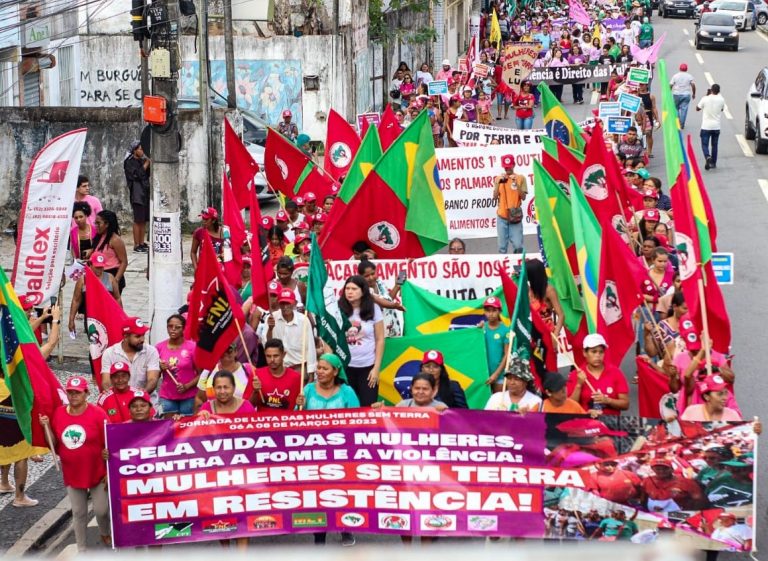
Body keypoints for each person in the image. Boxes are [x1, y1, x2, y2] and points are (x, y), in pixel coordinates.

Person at [39, 376, 111, 552]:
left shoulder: (98, 413)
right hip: (73, 472)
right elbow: (54, 443)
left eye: (77, 393)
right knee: (78, 513)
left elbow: (110, 440)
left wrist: (109, 459)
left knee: (102, 511)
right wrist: (46, 427)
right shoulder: (58, 413)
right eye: (70, 393)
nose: (73, 396)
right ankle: (82, 548)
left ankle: (105, 532)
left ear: (86, 393)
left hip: (97, 471)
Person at [296, 353, 359, 546]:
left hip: (341, 452)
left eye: (324, 368)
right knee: (318, 493)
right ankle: (319, 534)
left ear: (335, 371)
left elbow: (358, 420)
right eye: (318, 368)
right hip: (314, 453)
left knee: (342, 492)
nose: (319, 372)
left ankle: (346, 528)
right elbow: (295, 424)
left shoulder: (347, 392)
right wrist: (298, 407)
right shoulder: (306, 390)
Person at [338, 275, 384, 406]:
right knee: (346, 409)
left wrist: (376, 368)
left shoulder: (373, 308)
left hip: (368, 368)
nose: (349, 292)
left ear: (363, 291)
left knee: (368, 408)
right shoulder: (338, 308)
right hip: (344, 368)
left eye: (354, 289)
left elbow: (380, 339)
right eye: (347, 288)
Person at [567, 333, 630, 415]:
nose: (598, 356)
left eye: (601, 352)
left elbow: (625, 404)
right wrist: (578, 385)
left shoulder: (615, 372)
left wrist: (607, 400)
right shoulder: (576, 374)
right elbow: (570, 407)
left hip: (610, 422)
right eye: (594, 352)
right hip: (586, 422)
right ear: (584, 353)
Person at [100, 317, 160, 395]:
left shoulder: (151, 351)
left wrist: (141, 395)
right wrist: (115, 399)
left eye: (143, 335)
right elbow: (106, 382)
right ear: (125, 337)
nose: (142, 339)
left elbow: (153, 379)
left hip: (145, 402)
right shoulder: (109, 353)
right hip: (118, 400)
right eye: (138, 336)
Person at [266, 289, 316, 380]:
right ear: (278, 304)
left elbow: (310, 348)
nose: (285, 307)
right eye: (282, 303)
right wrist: (270, 329)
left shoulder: (303, 320)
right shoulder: (272, 318)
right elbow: (267, 345)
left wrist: (311, 376)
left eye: (288, 303)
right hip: (278, 370)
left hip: (299, 369)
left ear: (294, 303)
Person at [156, 314, 198, 418]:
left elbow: (202, 374)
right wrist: (160, 368)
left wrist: (187, 386)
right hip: (167, 396)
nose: (173, 330)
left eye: (177, 327)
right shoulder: (159, 347)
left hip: (189, 395)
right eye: (170, 326)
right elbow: (155, 376)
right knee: (169, 427)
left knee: (187, 428)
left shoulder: (192, 347)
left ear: (183, 328)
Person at [68, 252, 121, 334]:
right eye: (97, 267)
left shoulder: (110, 278)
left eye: (101, 267)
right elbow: (76, 300)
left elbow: (117, 298)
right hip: (91, 318)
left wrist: (121, 317)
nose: (99, 270)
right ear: (90, 264)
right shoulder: (83, 280)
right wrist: (71, 320)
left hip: (108, 316)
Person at [195, 342, 256, 411]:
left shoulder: (249, 369)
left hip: (242, 416)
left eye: (229, 350)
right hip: (214, 418)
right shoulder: (208, 371)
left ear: (236, 352)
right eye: (222, 351)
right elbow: (199, 398)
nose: (225, 353)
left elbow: (259, 396)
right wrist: (197, 417)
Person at [357, 260, 404, 338]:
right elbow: (383, 303)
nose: (371, 278)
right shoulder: (363, 290)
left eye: (373, 273)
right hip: (377, 329)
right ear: (360, 277)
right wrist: (394, 305)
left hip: (392, 325)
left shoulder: (379, 283)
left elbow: (388, 299)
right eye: (366, 276)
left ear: (376, 271)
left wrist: (397, 286)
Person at [251, 339, 302, 410]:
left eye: (276, 356)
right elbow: (249, 406)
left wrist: (300, 404)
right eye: (268, 356)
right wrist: (255, 391)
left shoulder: (296, 377)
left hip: (286, 420)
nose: (272, 359)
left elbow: (300, 407)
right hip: (263, 420)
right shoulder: (256, 375)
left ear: (283, 355)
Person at [640, 457, 706, 512]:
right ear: (653, 470)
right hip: (654, 515)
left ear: (672, 469)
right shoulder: (647, 480)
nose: (661, 471)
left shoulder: (686, 482)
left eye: (665, 469)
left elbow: (699, 500)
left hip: (679, 515)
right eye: (658, 469)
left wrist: (690, 514)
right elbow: (643, 498)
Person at [492, 154, 528, 254]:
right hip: (502, 217)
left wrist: (516, 184)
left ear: (514, 165)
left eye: (509, 166)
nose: (507, 169)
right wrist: (498, 183)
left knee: (518, 246)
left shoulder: (521, 178)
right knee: (502, 247)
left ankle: (519, 268)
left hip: (515, 217)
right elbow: (494, 197)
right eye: (505, 167)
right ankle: (504, 268)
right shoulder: (498, 178)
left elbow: (523, 197)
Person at [123, 140, 150, 252]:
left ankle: (142, 242)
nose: (142, 151)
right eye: (140, 149)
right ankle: (136, 244)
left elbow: (147, 175)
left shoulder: (142, 160)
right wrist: (147, 164)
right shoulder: (129, 162)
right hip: (137, 193)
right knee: (138, 219)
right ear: (134, 150)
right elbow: (137, 175)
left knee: (144, 219)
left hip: (145, 192)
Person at [526, 258, 564, 337]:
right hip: (532, 333)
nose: (526, 277)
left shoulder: (549, 290)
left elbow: (561, 315)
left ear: (533, 275)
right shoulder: (529, 290)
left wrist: (555, 335)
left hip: (548, 334)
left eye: (528, 274)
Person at [92, 210, 128, 293]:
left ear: (107, 224)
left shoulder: (115, 240)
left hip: (111, 274)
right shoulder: (98, 237)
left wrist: (116, 280)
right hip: (99, 274)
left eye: (98, 223)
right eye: (95, 223)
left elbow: (124, 262)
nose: (96, 226)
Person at [480, 295, 510, 392]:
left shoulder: (505, 330)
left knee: (499, 405)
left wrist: (496, 374)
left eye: (494, 310)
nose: (491, 314)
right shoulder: (481, 328)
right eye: (488, 310)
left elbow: (507, 354)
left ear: (499, 311)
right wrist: (477, 331)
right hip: (483, 374)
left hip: (499, 376)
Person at [697, 83, 725, 170]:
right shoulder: (721, 99)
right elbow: (722, 109)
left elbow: (697, 108)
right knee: (714, 145)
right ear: (719, 91)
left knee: (704, 144)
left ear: (711, 90)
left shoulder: (705, 99)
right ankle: (713, 163)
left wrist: (706, 96)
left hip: (706, 126)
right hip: (716, 126)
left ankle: (707, 157)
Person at [670, 63, 696, 129]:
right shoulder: (689, 76)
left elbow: (671, 85)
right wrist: (693, 93)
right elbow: (693, 85)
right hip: (686, 94)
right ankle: (682, 124)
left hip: (676, 94)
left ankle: (677, 122)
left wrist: (669, 92)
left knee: (676, 108)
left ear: (679, 68)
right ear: (686, 69)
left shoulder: (675, 76)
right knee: (684, 109)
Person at [638, 82, 659, 158]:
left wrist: (657, 119)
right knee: (640, 134)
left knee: (649, 134)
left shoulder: (651, 96)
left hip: (648, 116)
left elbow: (654, 107)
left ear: (646, 85)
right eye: (640, 84)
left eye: (642, 84)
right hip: (639, 117)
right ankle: (641, 151)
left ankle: (649, 151)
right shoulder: (636, 95)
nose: (641, 86)